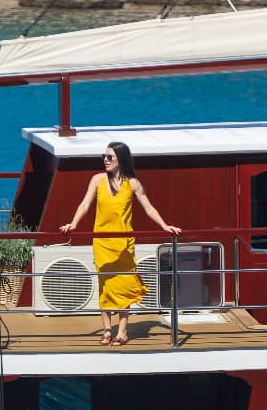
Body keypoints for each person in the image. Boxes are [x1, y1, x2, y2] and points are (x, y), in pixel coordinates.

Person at [59, 141, 179, 345]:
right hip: (102, 242)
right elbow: (85, 203)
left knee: (123, 286)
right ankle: (107, 330)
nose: (105, 160)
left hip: (123, 244)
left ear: (120, 160)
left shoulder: (132, 183)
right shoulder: (97, 180)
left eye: (110, 157)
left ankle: (122, 331)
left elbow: (148, 208)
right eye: (104, 157)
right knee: (105, 287)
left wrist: (164, 225)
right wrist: (74, 223)